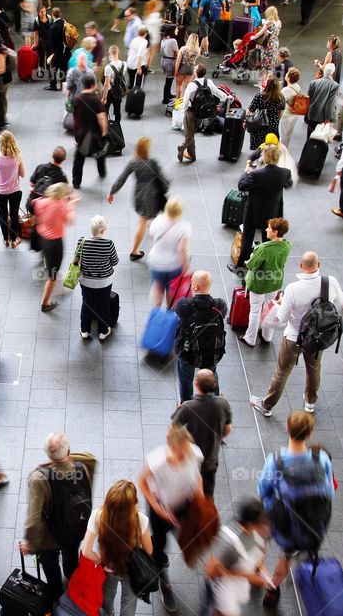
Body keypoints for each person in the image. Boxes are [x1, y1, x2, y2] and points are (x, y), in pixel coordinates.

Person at [250, 252, 343, 417]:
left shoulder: (293, 288)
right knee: (314, 369)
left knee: (282, 371)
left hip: (294, 338)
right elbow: (340, 303)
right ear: (319, 264)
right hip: (317, 337)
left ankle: (267, 406)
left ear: (301, 266)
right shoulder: (331, 282)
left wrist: (279, 304)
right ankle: (310, 402)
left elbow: (282, 318)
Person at [256, 411, 335, 606]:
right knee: (285, 558)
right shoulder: (321, 458)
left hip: (280, 521)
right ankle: (272, 589)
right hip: (307, 524)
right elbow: (330, 492)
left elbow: (263, 492)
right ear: (309, 434)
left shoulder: (275, 461)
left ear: (288, 430)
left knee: (259, 538)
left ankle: (256, 566)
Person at [139, 425, 204, 612]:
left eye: (186, 449)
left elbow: (197, 475)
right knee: (159, 545)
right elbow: (142, 482)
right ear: (171, 447)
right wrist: (158, 509)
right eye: (179, 451)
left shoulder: (195, 453)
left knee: (186, 535)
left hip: (185, 506)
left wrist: (199, 494)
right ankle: (164, 582)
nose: (184, 455)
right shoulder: (158, 461)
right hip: (161, 509)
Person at [21, 432, 92, 602]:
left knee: (50, 563)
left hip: (50, 536)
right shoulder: (83, 467)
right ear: (69, 452)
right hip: (75, 528)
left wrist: (30, 545)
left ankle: (57, 594)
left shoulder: (39, 478)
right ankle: (72, 579)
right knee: (71, 555)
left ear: (47, 453)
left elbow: (34, 518)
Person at [79, 479, 153, 616]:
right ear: (134, 504)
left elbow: (86, 551)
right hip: (131, 571)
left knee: (106, 598)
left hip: (108, 568)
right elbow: (149, 550)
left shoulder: (98, 515)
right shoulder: (140, 520)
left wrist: (100, 559)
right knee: (128, 603)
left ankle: (109, 614)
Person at [204, 497, 271, 616]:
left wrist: (261, 570)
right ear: (252, 524)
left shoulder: (254, 534)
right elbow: (210, 571)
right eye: (261, 522)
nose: (265, 525)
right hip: (223, 590)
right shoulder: (231, 545)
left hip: (236, 586)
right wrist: (248, 576)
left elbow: (257, 557)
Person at [230, 144, 290, 272]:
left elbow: (241, 186)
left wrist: (247, 171)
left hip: (254, 211)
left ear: (265, 158)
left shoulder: (256, 174)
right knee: (267, 240)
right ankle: (263, 265)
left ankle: (241, 265)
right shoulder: (285, 173)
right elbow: (288, 184)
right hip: (272, 212)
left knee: (248, 238)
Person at [172, 369, 231, 498]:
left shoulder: (188, 406)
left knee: (186, 491)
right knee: (208, 493)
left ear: (195, 383)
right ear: (214, 385)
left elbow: (174, 428)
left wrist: (179, 409)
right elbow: (227, 429)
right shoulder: (223, 403)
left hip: (190, 457)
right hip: (211, 459)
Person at [108, 137, 170, 260]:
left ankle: (147, 224)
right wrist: (167, 185)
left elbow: (122, 179)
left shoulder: (133, 163)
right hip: (151, 196)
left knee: (145, 218)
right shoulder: (153, 162)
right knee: (143, 221)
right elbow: (163, 179)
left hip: (138, 194)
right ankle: (134, 251)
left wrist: (112, 192)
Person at [173, 270, 227, 400]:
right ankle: (215, 401)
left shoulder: (184, 304)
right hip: (211, 350)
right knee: (211, 375)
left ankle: (187, 404)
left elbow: (178, 314)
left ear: (195, 287)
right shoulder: (220, 305)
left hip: (187, 352)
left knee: (186, 380)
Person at [242, 218, 292, 347]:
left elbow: (252, 265)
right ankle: (267, 336)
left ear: (275, 232)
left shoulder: (264, 249)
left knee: (255, 310)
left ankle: (250, 338)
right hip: (275, 282)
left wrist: (247, 262)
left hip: (259, 284)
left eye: (268, 228)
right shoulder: (287, 246)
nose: (266, 230)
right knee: (270, 308)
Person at [72, 215, 118, 340]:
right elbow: (115, 262)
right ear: (103, 230)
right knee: (104, 305)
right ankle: (103, 332)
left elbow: (77, 258)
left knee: (86, 303)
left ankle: (85, 330)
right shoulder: (108, 244)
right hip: (104, 282)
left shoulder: (82, 241)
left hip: (86, 281)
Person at [34, 183, 78, 312]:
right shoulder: (62, 206)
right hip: (54, 244)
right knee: (52, 275)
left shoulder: (41, 202)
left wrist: (67, 202)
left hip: (42, 238)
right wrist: (72, 204)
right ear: (62, 196)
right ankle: (45, 302)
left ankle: (58, 288)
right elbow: (71, 221)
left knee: (52, 267)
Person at [146, 197, 192, 307]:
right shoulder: (184, 227)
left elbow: (151, 237)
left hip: (156, 262)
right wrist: (187, 267)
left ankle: (156, 315)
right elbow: (182, 249)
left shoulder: (156, 221)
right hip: (174, 266)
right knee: (172, 294)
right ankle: (169, 315)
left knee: (157, 291)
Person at [72, 76, 108, 189]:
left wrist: (76, 136)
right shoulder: (96, 100)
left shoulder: (77, 99)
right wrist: (104, 133)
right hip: (94, 132)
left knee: (79, 157)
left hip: (81, 133)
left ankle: (76, 182)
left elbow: (75, 118)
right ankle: (102, 172)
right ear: (93, 85)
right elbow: (101, 117)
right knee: (100, 153)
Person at [0, 130, 25, 246]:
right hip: (15, 191)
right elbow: (22, 174)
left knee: (3, 215)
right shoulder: (18, 156)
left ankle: (5, 239)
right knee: (14, 215)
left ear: (0, 143)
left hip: (0, 192)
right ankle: (14, 240)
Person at [248, 78, 285, 150]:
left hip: (259, 124)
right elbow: (281, 113)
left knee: (259, 147)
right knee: (270, 147)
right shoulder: (281, 97)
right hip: (273, 125)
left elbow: (250, 111)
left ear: (267, 85)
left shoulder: (259, 96)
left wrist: (247, 122)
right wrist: (275, 120)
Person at [304, 63, 338, 137]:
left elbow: (308, 98)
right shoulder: (334, 85)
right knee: (319, 138)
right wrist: (328, 118)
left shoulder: (313, 82)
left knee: (310, 137)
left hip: (312, 113)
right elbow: (330, 103)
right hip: (322, 117)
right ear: (333, 73)